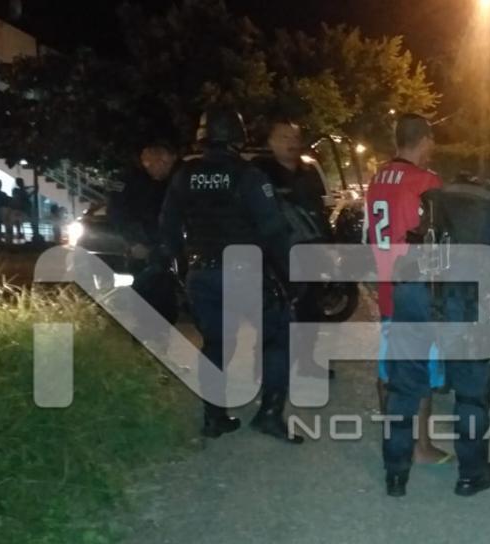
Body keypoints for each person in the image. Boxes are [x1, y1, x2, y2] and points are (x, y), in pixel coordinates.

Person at [382, 156, 490, 497]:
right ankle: (471, 475)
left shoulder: (444, 192)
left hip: (413, 293)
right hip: (460, 302)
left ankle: (395, 475)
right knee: (471, 395)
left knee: (404, 389)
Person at [159, 105, 302, 443]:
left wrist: (179, 268)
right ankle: (269, 415)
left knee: (216, 344)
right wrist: (291, 278)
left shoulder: (185, 175)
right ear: (238, 137)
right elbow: (274, 231)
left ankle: (214, 418)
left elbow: (167, 227)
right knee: (279, 336)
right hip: (245, 273)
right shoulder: (248, 175)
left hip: (202, 274)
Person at [365, 113, 448, 465]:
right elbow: (441, 238)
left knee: (388, 367)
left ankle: (394, 439)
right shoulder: (425, 181)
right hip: (417, 289)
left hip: (387, 284)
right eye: (432, 140)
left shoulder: (377, 178)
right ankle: (421, 446)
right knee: (422, 367)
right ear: (425, 139)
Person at [255, 119, 335, 380]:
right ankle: (268, 368)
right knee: (274, 313)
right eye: (283, 137)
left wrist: (329, 246)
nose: (291, 143)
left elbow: (319, 213)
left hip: (310, 252)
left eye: (294, 137)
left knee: (311, 310)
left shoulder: (308, 172)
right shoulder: (259, 173)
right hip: (275, 256)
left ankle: (306, 362)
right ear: (270, 142)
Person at [108, 141, 181, 330]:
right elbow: (117, 214)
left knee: (166, 304)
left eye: (169, 164)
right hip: (141, 249)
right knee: (144, 300)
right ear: (148, 160)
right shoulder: (126, 180)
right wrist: (134, 242)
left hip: (167, 249)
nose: (167, 168)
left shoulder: (173, 179)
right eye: (163, 163)